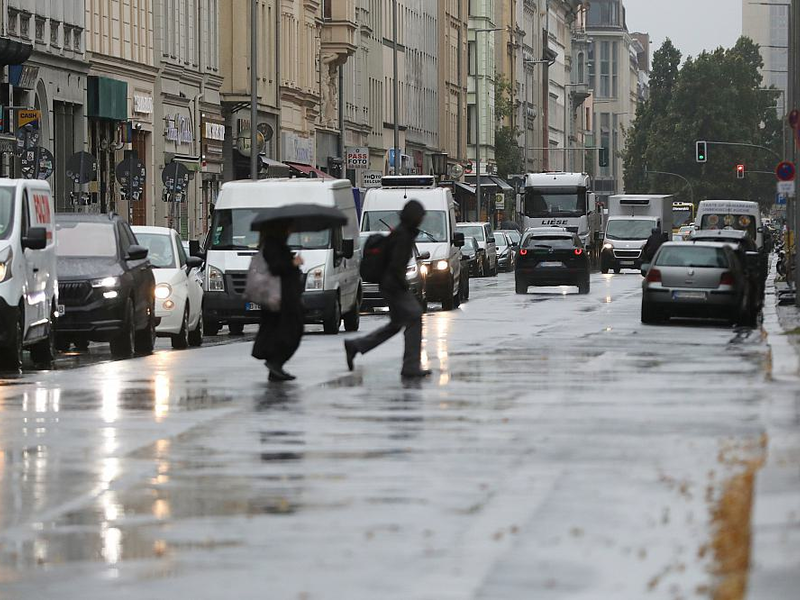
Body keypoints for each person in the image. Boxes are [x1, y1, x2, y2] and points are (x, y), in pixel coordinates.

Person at [345, 200, 431, 379]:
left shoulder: (403, 232)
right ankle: (410, 366)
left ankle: (356, 346)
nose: (422, 220)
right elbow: (396, 266)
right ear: (414, 217)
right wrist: (403, 285)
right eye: (420, 216)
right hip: (393, 286)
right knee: (415, 317)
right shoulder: (403, 236)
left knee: (396, 325)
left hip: (389, 284)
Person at [252, 221, 305, 382]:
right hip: (281, 297)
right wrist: (292, 263)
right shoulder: (272, 245)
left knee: (280, 330)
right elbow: (276, 267)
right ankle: (275, 362)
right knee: (290, 330)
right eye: (288, 227)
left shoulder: (276, 244)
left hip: (283, 296)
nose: (290, 230)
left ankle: (276, 367)